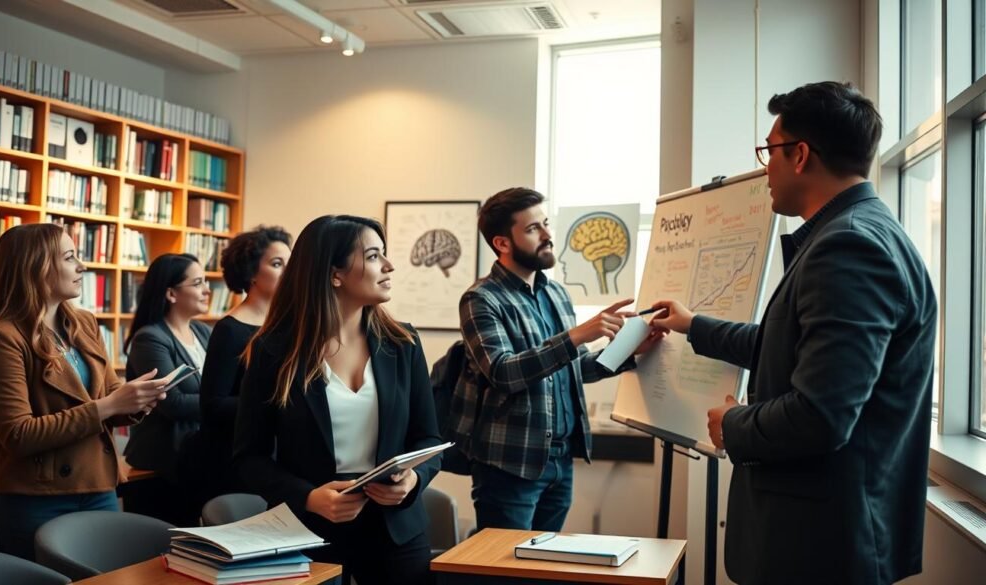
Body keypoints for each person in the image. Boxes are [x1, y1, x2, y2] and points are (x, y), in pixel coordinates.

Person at [650, 82, 937, 585]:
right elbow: (785, 345)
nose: (765, 168)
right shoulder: (858, 231)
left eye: (770, 151)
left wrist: (733, 423)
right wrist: (692, 324)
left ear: (800, 155)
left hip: (816, 546)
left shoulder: (848, 246)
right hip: (824, 537)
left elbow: (821, 415)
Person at [234, 215, 441, 585]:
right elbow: (250, 457)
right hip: (306, 530)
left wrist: (412, 480)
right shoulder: (273, 351)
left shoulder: (403, 344)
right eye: (375, 255)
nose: (389, 266)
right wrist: (310, 497)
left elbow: (429, 440)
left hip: (397, 531)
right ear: (335, 274)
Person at [450, 187, 663, 532]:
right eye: (534, 228)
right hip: (510, 466)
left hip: (561, 462)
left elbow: (574, 369)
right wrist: (578, 334)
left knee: (546, 568)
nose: (548, 235)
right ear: (502, 243)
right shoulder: (481, 299)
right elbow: (504, 372)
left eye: (546, 223)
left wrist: (627, 351)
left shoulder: (555, 292)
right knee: (504, 572)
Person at [0, 224, 167, 559]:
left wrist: (136, 401)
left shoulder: (83, 323)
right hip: (35, 497)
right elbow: (18, 434)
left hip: (98, 484)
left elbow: (109, 392)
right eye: (70, 257)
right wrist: (106, 407)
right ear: (36, 266)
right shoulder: (0, 338)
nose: (82, 266)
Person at [199, 226, 291, 494]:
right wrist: (275, 402)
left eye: (290, 264)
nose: (288, 272)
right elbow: (213, 404)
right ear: (252, 273)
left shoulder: (287, 325)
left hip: (275, 456)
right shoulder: (230, 329)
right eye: (277, 264)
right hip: (233, 459)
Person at [123, 253, 212, 525]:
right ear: (172, 293)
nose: (207, 289)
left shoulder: (203, 332)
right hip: (161, 466)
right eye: (197, 283)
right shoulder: (150, 338)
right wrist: (221, 402)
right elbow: (171, 403)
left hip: (196, 460)